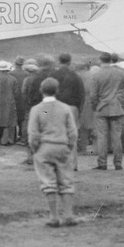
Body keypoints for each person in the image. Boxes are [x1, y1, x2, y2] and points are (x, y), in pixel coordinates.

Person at [27, 77, 79, 227]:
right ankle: (69, 215)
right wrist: (69, 146)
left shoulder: (36, 109)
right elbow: (72, 131)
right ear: (57, 90)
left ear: (41, 91)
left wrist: (35, 149)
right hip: (62, 146)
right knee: (66, 181)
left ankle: (53, 216)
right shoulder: (64, 108)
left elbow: (33, 133)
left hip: (44, 148)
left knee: (48, 182)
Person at [89, 52, 124, 170]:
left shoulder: (97, 75)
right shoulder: (119, 72)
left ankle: (102, 163)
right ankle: (118, 163)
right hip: (116, 106)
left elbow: (93, 95)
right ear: (110, 60)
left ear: (100, 60)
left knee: (102, 137)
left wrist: (95, 105)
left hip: (102, 107)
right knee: (116, 137)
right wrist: (123, 96)